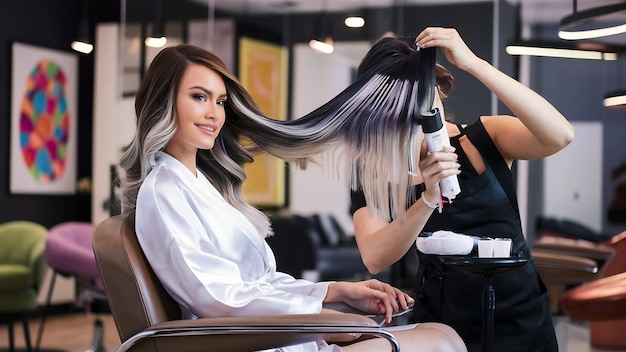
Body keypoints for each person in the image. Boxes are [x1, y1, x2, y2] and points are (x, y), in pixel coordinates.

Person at [117, 44, 468, 352]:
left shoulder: (202, 187)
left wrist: (337, 292)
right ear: (164, 101)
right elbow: (218, 301)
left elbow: (259, 284)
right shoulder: (164, 192)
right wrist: (321, 317)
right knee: (439, 342)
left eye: (220, 101)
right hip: (247, 341)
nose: (214, 113)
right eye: (199, 97)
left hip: (272, 337)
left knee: (442, 335)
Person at [350, 27, 574, 352]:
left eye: (419, 93)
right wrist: (427, 198)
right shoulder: (373, 170)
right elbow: (375, 256)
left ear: (438, 89)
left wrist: (473, 63)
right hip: (440, 326)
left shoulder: (485, 138)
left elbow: (560, 135)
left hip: (518, 317)